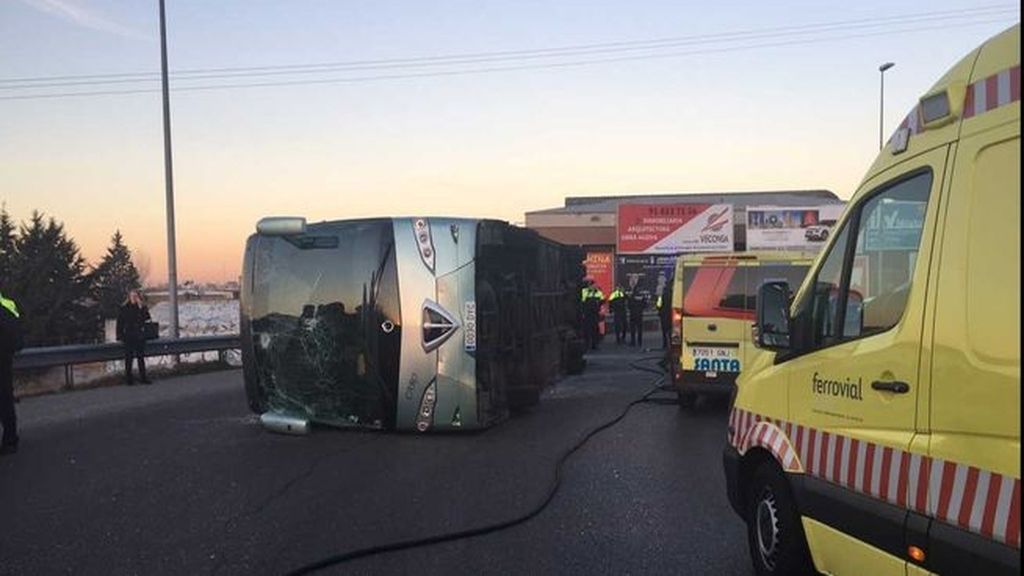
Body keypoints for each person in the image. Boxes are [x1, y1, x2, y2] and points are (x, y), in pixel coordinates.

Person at [0, 289, 24, 455]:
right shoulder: (8, 305)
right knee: (5, 399)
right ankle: (10, 440)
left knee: (5, 400)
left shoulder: (6, 306)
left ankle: (10, 440)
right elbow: (16, 333)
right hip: (4, 359)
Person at [117, 290, 151, 385]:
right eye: (132, 296)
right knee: (129, 358)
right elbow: (119, 323)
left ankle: (143, 378)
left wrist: (141, 307)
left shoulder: (141, 307)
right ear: (129, 297)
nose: (134, 298)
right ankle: (129, 379)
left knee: (141, 358)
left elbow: (147, 318)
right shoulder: (124, 308)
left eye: (136, 296)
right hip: (128, 336)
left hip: (139, 336)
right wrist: (119, 336)